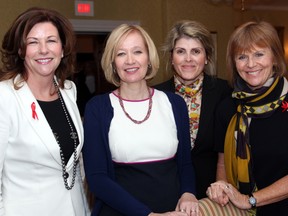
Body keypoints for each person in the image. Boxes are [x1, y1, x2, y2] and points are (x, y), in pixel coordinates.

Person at [83, 24, 200, 216]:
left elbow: (185, 163)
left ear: (149, 57)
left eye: (137, 51)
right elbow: (97, 178)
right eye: (121, 54)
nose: (130, 61)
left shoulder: (174, 103)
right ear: (113, 62)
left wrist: (188, 193)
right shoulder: (97, 108)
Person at [0, 7, 90, 216]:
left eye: (51, 40)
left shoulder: (68, 91)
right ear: (21, 50)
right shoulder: (5, 97)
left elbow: (75, 167)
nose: (43, 50)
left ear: (62, 48)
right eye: (33, 42)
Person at [206, 21, 288, 216]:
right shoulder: (227, 107)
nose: (251, 64)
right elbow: (223, 163)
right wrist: (221, 188)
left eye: (259, 54)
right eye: (242, 57)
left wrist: (250, 200)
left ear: (275, 58)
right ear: (234, 63)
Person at [155, 20, 232, 199]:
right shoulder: (156, 95)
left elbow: (229, 151)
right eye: (181, 51)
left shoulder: (226, 92)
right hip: (166, 192)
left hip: (213, 194)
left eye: (195, 51)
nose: (188, 59)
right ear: (172, 57)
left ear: (206, 57)